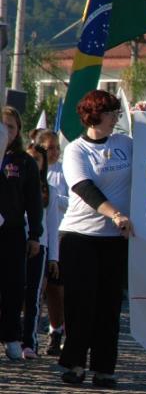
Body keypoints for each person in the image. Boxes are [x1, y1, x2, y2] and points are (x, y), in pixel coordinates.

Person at [58, 90, 133, 388]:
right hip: (80, 236)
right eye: (112, 112)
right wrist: (115, 214)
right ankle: (74, 364)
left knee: (109, 305)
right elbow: (84, 188)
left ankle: (105, 368)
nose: (116, 117)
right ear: (95, 115)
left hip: (114, 239)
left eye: (118, 112)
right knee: (82, 303)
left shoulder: (125, 144)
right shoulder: (76, 150)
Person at [0, 106, 43, 360]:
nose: (6, 132)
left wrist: (35, 234)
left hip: (13, 232)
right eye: (2, 126)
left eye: (11, 127)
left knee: (14, 286)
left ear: (18, 132)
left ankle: (11, 337)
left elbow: (33, 200)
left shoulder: (23, 162)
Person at [22, 143, 59, 359]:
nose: (32, 163)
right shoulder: (13, 184)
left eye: (37, 159)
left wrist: (54, 257)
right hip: (14, 242)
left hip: (40, 247)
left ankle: (30, 341)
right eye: (29, 158)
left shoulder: (49, 190)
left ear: (44, 163)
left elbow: (52, 226)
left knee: (34, 295)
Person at [34, 129, 68, 355]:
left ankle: (56, 330)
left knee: (56, 289)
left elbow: (75, 198)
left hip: (60, 234)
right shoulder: (33, 170)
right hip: (37, 236)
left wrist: (56, 198)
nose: (54, 152)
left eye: (57, 147)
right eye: (49, 148)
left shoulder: (65, 171)